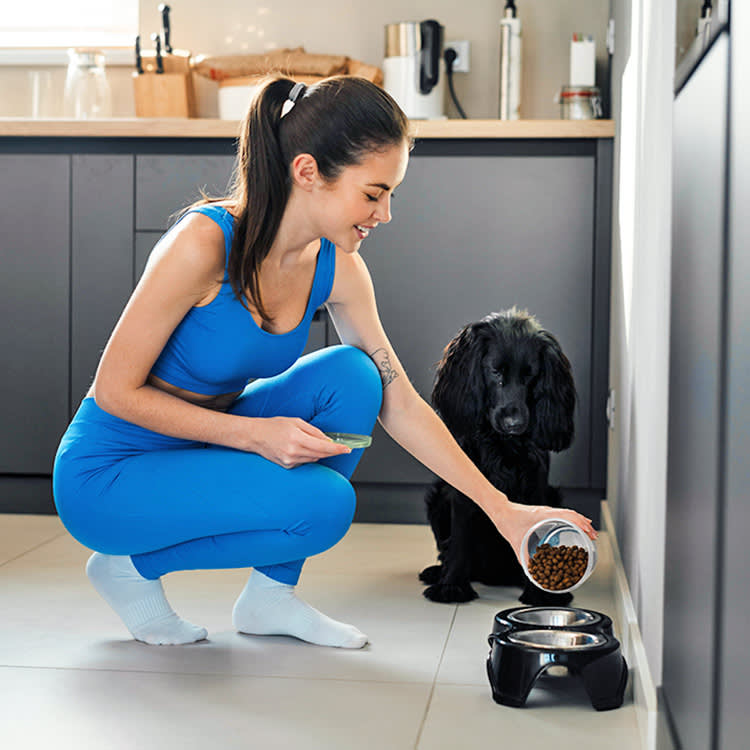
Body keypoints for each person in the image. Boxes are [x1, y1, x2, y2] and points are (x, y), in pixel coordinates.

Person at [52, 76, 596, 648]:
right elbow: (113, 391)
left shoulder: (338, 267)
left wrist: (504, 510)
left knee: (354, 377)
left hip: (203, 446)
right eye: (372, 193)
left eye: (391, 195)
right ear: (308, 172)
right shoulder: (205, 244)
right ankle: (127, 568)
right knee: (325, 506)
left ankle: (270, 598)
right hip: (109, 470)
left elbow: (400, 402)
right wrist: (253, 434)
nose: (385, 214)